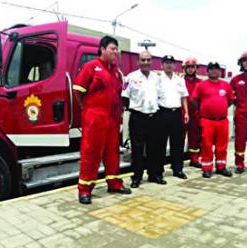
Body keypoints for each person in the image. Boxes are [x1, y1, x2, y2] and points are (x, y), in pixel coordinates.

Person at [73, 36, 131, 204]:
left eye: (116, 49)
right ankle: (84, 189)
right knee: (91, 153)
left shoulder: (115, 71)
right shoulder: (90, 67)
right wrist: (86, 108)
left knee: (112, 152)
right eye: (112, 48)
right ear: (102, 49)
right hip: (95, 118)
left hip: (112, 119)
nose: (115, 52)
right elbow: (77, 90)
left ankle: (114, 183)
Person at [122, 51, 164, 188]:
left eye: (148, 60)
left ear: (151, 62)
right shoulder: (130, 77)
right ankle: (137, 177)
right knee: (137, 149)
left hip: (154, 117)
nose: (145, 62)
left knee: (154, 148)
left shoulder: (157, 78)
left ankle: (154, 175)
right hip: (138, 117)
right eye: (143, 60)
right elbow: (124, 96)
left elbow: (160, 96)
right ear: (138, 61)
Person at [191, 62, 234, 178]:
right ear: (207, 71)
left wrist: (221, 107)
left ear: (220, 71)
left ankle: (221, 167)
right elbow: (194, 100)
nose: (214, 71)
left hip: (222, 121)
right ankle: (207, 168)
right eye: (211, 69)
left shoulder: (226, 85)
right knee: (206, 145)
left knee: (222, 145)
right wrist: (203, 109)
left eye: (216, 69)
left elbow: (230, 101)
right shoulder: (201, 85)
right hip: (207, 120)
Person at [158, 55, 189, 181]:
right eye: (166, 63)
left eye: (171, 63)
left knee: (178, 143)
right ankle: (158, 171)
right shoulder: (157, 78)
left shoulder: (180, 80)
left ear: (174, 65)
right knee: (160, 143)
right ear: (162, 65)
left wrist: (186, 112)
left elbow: (184, 97)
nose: (169, 65)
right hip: (162, 113)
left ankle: (178, 169)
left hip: (177, 113)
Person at [183, 57, 202, 168]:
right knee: (179, 137)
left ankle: (194, 159)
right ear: (184, 68)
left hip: (195, 114)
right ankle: (177, 161)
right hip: (182, 113)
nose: (190, 69)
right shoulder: (179, 81)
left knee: (195, 137)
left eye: (192, 67)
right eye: (188, 67)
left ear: (196, 69)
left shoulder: (200, 83)